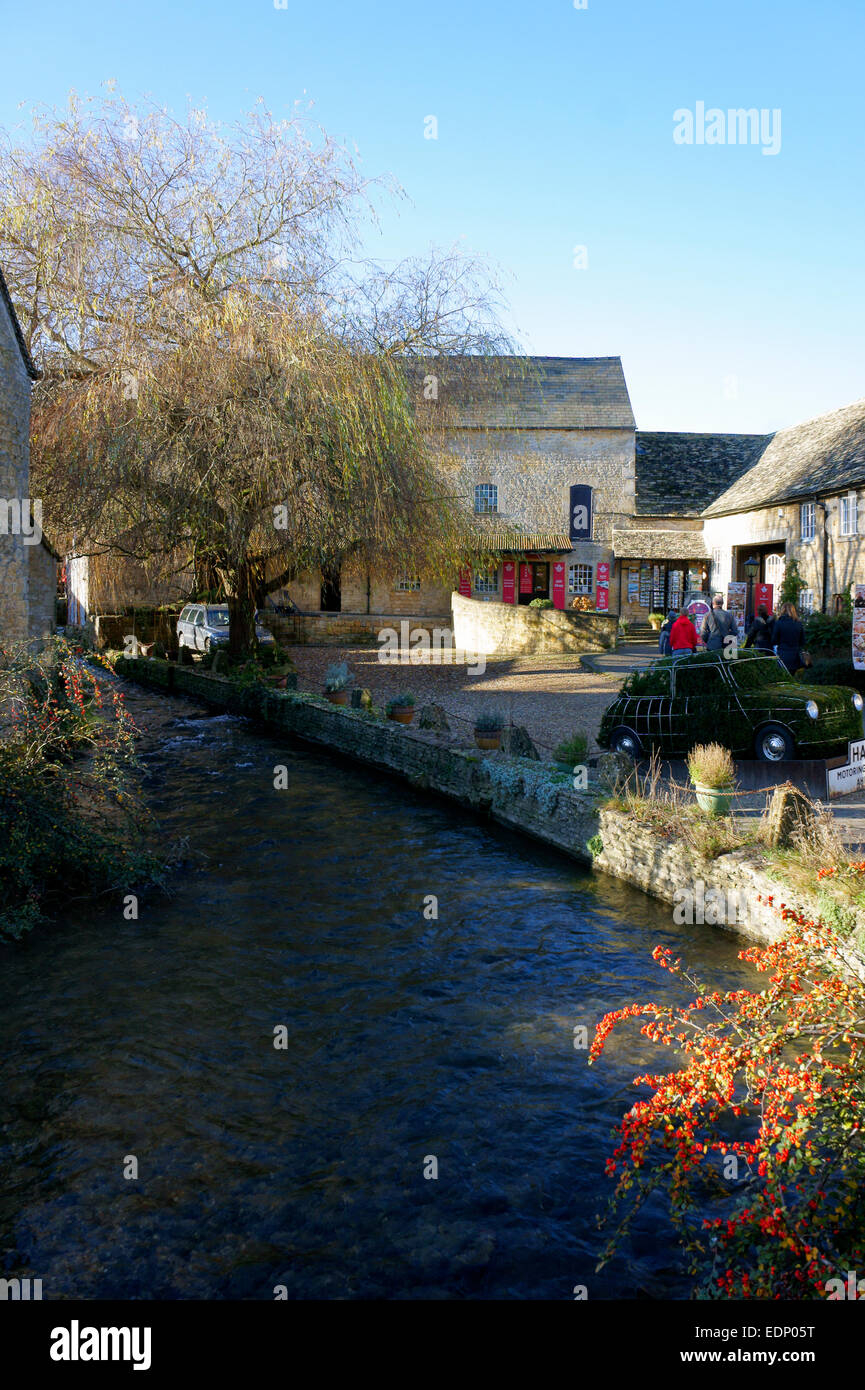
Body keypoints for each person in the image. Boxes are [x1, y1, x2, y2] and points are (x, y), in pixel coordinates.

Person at [772, 601, 806, 674]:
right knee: (792, 677)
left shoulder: (779, 623)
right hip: (795, 655)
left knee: (783, 678)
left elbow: (774, 640)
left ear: (782, 610)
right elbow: (803, 641)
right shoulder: (799, 623)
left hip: (782, 654)